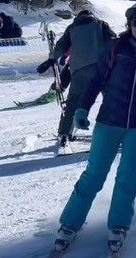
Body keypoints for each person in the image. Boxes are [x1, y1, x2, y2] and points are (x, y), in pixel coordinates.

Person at [46, 2, 136, 258]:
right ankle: (69, 224)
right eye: (134, 22)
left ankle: (119, 225)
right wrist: (82, 109)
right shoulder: (115, 48)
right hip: (109, 120)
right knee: (94, 174)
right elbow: (96, 79)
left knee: (128, 176)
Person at [38, 8, 117, 151]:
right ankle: (116, 132)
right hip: (102, 68)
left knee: (73, 103)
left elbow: (61, 46)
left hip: (79, 70)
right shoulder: (100, 24)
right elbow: (113, 41)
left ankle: (64, 134)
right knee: (112, 101)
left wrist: (53, 58)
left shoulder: (72, 27)